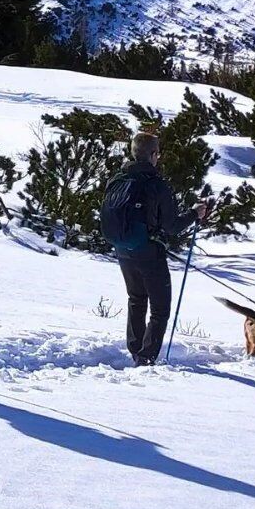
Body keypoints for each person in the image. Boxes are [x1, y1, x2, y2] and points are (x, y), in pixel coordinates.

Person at [103, 131, 209, 366]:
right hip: (149, 251)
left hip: (122, 248)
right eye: (158, 153)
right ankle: (147, 357)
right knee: (160, 309)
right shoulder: (157, 184)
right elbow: (172, 226)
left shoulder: (118, 178)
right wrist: (195, 213)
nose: (158, 158)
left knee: (136, 298)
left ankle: (136, 350)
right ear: (152, 154)